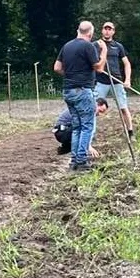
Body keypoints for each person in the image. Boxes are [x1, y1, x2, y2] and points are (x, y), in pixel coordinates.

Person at [54, 21, 107, 171]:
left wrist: (70, 75)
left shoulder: (67, 46)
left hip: (68, 91)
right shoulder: (88, 46)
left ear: (78, 30)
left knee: (77, 127)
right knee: (87, 126)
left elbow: (57, 67)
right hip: (82, 90)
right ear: (90, 33)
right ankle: (82, 161)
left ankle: (74, 161)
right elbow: (99, 68)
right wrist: (104, 51)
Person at [94, 21, 135, 138]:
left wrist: (127, 80)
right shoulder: (96, 45)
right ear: (102, 30)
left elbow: (127, 64)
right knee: (94, 108)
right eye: (105, 28)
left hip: (117, 81)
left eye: (109, 29)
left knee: (123, 108)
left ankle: (130, 132)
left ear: (113, 31)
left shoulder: (118, 46)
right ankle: (91, 135)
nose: (107, 31)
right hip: (101, 81)